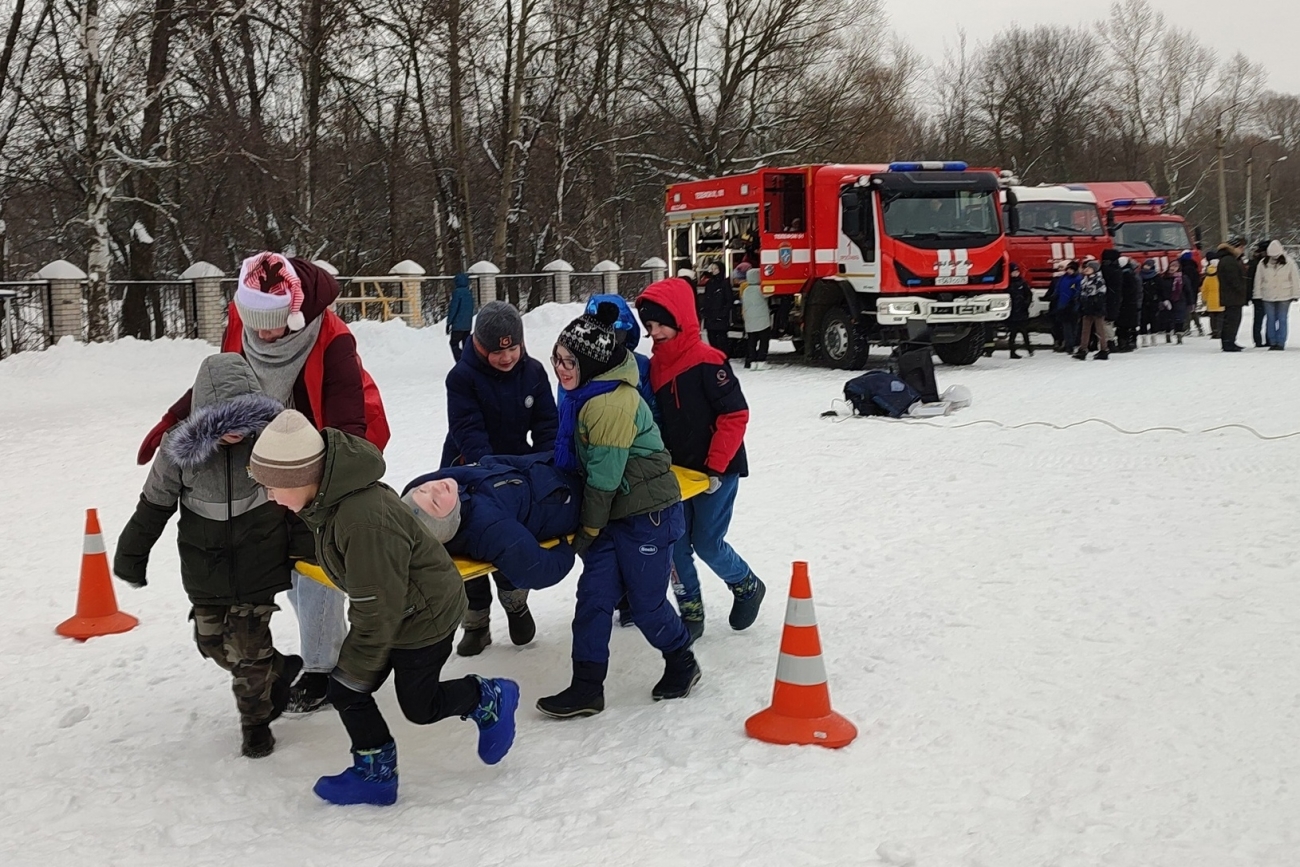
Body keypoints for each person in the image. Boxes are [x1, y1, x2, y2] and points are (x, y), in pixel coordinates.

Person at [137, 252, 384, 717]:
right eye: (253, 324)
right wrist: (174, 419)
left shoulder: (332, 340)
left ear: (295, 315)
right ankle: (299, 658)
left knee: (316, 563)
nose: (261, 335)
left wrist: (332, 481)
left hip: (321, 451)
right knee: (281, 560)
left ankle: (323, 667)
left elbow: (347, 418)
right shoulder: (244, 324)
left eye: (272, 326)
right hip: (262, 456)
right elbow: (221, 384)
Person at [250, 410, 519, 806]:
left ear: (300, 478)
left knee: (418, 705)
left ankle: (489, 697)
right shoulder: (329, 501)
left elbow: (377, 608)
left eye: (271, 486)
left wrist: (356, 668)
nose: (269, 495)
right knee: (347, 691)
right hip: (398, 609)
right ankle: (375, 775)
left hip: (426, 615)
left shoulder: (362, 521)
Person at [114, 354, 300, 759]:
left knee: (248, 651)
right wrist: (132, 554)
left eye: (243, 419)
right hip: (205, 566)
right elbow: (154, 504)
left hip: (259, 562)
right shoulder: (179, 450)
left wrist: (307, 550)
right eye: (223, 422)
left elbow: (299, 499)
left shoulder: (272, 442)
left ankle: (256, 725)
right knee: (213, 643)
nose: (235, 431)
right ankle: (278, 668)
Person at [537, 303, 699, 718]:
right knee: (593, 600)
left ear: (591, 363)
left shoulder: (609, 403)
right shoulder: (584, 395)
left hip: (647, 515)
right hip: (613, 513)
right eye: (556, 358)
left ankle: (682, 660)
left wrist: (587, 532)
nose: (560, 369)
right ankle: (587, 687)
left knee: (646, 606)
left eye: (569, 361)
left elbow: (604, 479)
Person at [635, 277, 764, 641]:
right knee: (674, 544)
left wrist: (715, 466)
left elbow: (734, 415)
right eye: (649, 325)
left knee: (707, 542)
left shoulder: (709, 361)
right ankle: (690, 609)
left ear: (680, 318)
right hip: (677, 475)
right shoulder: (655, 367)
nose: (654, 332)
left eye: (660, 323)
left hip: (717, 471)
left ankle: (746, 585)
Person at [441, 300, 558, 656]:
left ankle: (515, 602)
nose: (506, 357)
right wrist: (489, 473)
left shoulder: (533, 372)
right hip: (469, 467)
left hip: (516, 467)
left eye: (513, 348)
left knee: (510, 538)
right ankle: (476, 620)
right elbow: (468, 430)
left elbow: (547, 424)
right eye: (497, 351)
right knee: (469, 543)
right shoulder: (462, 378)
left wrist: (547, 464)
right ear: (479, 346)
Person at [401, 453, 581, 591]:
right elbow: (536, 571)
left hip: (551, 463)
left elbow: (488, 465)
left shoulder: (456, 492)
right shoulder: (490, 529)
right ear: (447, 523)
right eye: (435, 502)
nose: (434, 488)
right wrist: (566, 551)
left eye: (422, 490)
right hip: (569, 497)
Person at [1253, 240, 1300, 350]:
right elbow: (1258, 280)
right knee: (1271, 319)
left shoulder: (1289, 262)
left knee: (1282, 319)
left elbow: (1295, 279)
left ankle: (1280, 342)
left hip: (1284, 295)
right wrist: (1257, 294)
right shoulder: (1262, 263)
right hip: (1268, 295)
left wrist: (1296, 294)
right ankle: (1273, 342)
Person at [1216, 239, 1249, 352]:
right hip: (1232, 296)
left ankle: (1229, 341)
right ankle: (1228, 343)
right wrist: (1242, 290)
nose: (1242, 250)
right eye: (1241, 247)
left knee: (1231, 320)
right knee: (1232, 320)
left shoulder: (1228, 259)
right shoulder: (1229, 260)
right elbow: (1234, 279)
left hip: (1230, 295)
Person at [1074, 259, 1109, 360]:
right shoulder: (1084, 280)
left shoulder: (1098, 280)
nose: (1086, 269)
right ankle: (1083, 349)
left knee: (1099, 330)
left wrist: (1095, 305)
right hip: (1086, 308)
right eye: (1086, 267)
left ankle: (1104, 349)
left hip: (1096, 309)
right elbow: (1082, 294)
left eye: (1089, 268)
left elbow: (1100, 296)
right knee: (1085, 330)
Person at [741, 268, 772, 369]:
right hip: (762, 320)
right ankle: (761, 360)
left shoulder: (745, 290)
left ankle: (752, 361)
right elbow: (771, 293)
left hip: (750, 320)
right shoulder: (760, 289)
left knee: (752, 341)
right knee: (764, 341)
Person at [701, 262, 734, 351]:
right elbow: (706, 299)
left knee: (721, 342)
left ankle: (722, 357)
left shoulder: (725, 283)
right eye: (712, 268)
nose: (713, 271)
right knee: (712, 341)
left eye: (716, 268)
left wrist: (723, 313)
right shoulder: (709, 283)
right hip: (711, 317)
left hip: (720, 318)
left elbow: (729, 300)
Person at [1005, 262, 1033, 359]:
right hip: (1012, 313)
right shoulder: (1008, 284)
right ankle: (1012, 351)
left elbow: (1029, 294)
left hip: (1021, 311)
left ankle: (1029, 348)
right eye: (1014, 272)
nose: (1016, 273)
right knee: (1013, 333)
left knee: (1024, 332)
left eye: (1017, 271)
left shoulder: (1022, 283)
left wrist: (1026, 304)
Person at [1115, 256, 1143, 352]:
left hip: (1127, 303)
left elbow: (1134, 290)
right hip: (1129, 303)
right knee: (1128, 324)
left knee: (1125, 325)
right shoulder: (1130, 274)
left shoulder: (1126, 275)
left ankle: (1125, 342)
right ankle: (1128, 342)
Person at [1055, 261, 1082, 354]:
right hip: (1063, 305)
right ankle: (1068, 344)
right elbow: (1058, 289)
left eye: (1071, 269)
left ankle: (1070, 344)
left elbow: (1078, 291)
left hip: (1072, 305)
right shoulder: (1063, 278)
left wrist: (1075, 301)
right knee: (1066, 326)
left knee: (1072, 326)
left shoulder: (1078, 279)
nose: (1069, 271)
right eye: (1068, 269)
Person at [446, 272, 474, 361]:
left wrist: (449, 322)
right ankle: (467, 361)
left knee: (454, 343)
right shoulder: (469, 293)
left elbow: (453, 308)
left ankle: (460, 361)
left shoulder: (457, 293)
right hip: (467, 325)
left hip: (458, 325)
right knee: (466, 345)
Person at [1247, 240, 1270, 347]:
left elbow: (1249, 279)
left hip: (1257, 294)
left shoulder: (1253, 262)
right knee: (1268, 318)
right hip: (1263, 294)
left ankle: (1258, 340)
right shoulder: (1261, 263)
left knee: (1258, 318)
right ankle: (1268, 339)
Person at [1101, 249, 1123, 349]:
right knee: (1109, 321)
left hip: (1107, 298)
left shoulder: (1106, 269)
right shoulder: (1117, 269)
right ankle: (1110, 340)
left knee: (1106, 321)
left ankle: (1110, 341)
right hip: (1115, 298)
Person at [1178, 251, 1204, 336]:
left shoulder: (1184, 268)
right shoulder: (1194, 267)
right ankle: (1199, 327)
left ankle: (1187, 328)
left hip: (1186, 291)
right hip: (1193, 291)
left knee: (1187, 310)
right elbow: (1198, 281)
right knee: (1192, 309)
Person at [1139, 259, 1164, 347]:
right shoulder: (1140, 276)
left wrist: (1161, 299)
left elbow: (1161, 289)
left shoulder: (1156, 277)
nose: (1146, 267)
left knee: (1154, 319)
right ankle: (1144, 338)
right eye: (1145, 265)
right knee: (1143, 320)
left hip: (1154, 301)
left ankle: (1154, 337)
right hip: (1142, 301)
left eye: (1149, 265)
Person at [1163, 260, 1188, 344]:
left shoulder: (1183, 278)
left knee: (1179, 319)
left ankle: (1179, 336)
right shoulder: (1165, 277)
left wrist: (1191, 302)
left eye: (1175, 266)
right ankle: (1168, 335)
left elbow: (1188, 290)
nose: (1173, 268)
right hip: (1167, 301)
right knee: (1168, 319)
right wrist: (1164, 299)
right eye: (1171, 266)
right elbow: (1161, 290)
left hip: (1180, 300)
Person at [1202, 256, 1223, 339]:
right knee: (1220, 318)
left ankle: (1214, 331)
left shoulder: (1207, 278)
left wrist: (1204, 299)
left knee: (1212, 318)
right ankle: (1219, 331)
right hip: (1220, 299)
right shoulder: (1221, 276)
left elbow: (1204, 289)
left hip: (1210, 300)